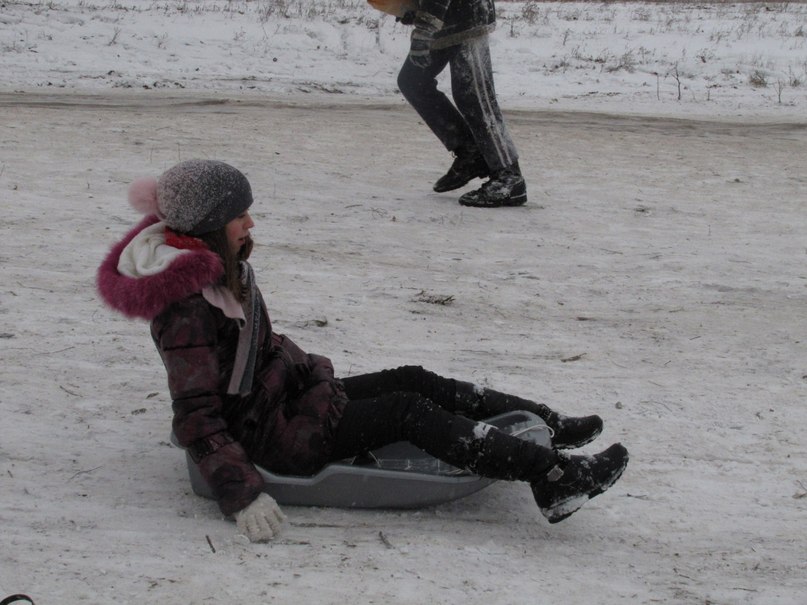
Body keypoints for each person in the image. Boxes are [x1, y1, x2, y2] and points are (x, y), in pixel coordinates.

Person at [97, 160, 628, 543]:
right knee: (406, 411)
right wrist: (241, 492)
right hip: (269, 435)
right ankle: (554, 478)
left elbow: (255, 350)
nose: (251, 224)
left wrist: (304, 371)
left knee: (412, 377)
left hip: (286, 401)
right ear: (210, 223)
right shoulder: (186, 307)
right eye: (241, 216)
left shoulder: (219, 272)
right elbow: (196, 416)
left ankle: (548, 424)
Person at [388, 0, 526, 207]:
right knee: (413, 81)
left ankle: (509, 176)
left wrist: (425, 29)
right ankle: (470, 152)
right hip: (443, 17)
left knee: (475, 97)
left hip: (467, 15)